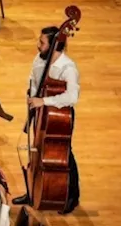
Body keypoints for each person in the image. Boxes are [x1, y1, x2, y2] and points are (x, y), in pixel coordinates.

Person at [18, 25, 81, 213]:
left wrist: (43, 100)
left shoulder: (68, 68)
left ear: (55, 45)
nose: (38, 45)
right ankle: (32, 190)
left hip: (58, 114)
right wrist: (32, 94)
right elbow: (33, 79)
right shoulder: (40, 59)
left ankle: (71, 196)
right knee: (38, 148)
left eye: (42, 42)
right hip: (41, 111)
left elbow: (72, 97)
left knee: (62, 152)